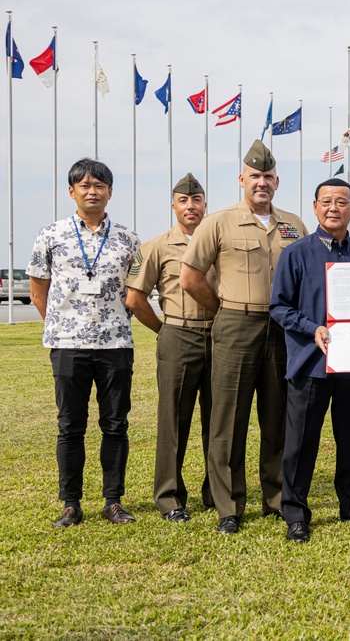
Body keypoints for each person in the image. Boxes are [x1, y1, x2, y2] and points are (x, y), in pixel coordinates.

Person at [180, 140, 308, 535]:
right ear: (241, 179)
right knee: (228, 420)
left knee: (279, 419)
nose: (261, 182)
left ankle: (276, 499)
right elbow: (190, 277)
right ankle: (229, 506)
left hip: (283, 330)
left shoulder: (294, 225)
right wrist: (223, 309)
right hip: (236, 324)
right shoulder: (217, 222)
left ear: (277, 181)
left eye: (268, 176)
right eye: (255, 176)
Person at [270, 178, 350, 543]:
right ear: (315, 207)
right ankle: (295, 511)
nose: (333, 208)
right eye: (326, 202)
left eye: (342, 202)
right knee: (301, 441)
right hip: (311, 362)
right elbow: (279, 306)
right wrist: (312, 329)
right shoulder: (296, 253)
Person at [27, 158, 141, 527]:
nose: (92, 191)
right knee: (70, 426)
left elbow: (136, 291)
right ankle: (71, 503)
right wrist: (64, 326)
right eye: (85, 185)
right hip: (67, 343)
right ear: (71, 191)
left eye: (100, 185)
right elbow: (38, 291)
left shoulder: (128, 239)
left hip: (116, 344)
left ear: (110, 192)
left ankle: (113, 501)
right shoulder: (50, 235)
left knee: (115, 424)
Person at [125, 173, 215, 522]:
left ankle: (216, 492)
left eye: (196, 200)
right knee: (174, 420)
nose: (190, 206)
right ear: (173, 206)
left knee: (219, 420)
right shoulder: (155, 247)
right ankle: (170, 497)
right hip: (179, 334)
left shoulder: (218, 240)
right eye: (183, 201)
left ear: (205, 204)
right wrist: (163, 330)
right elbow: (135, 298)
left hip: (219, 335)